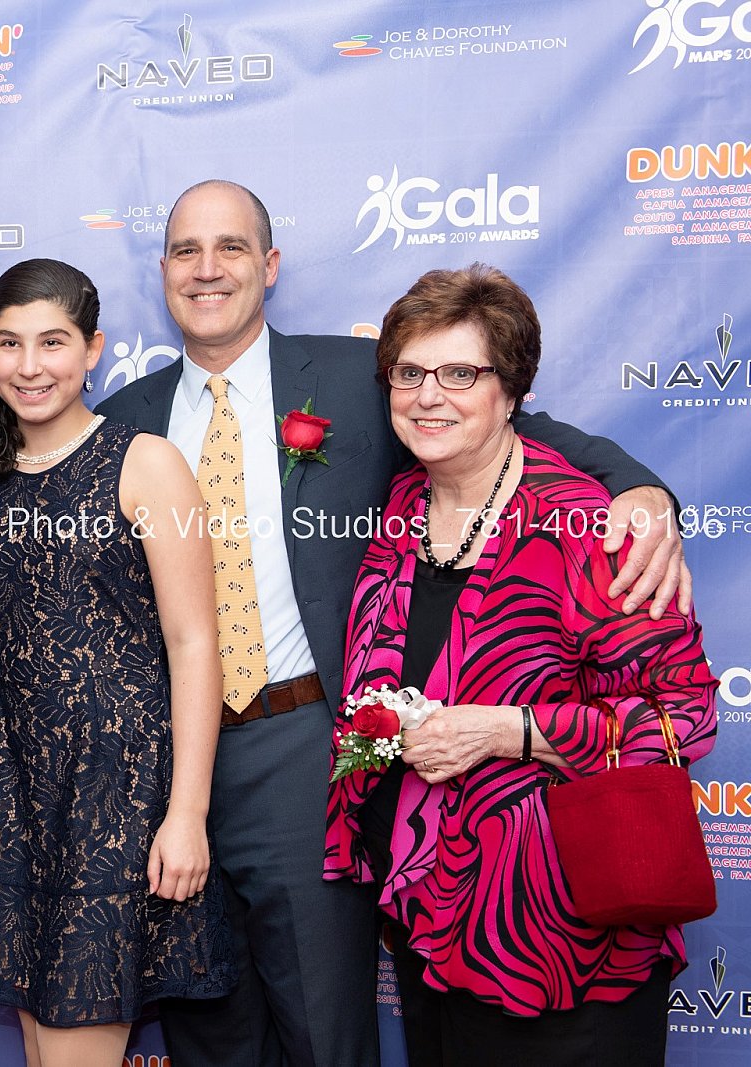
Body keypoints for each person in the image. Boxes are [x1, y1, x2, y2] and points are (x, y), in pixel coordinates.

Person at [79, 180, 688, 1067]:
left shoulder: (366, 379)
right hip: (167, 762)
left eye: (231, 247)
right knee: (205, 1022)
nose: (207, 269)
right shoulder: (123, 418)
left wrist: (641, 489)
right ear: (162, 268)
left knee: (325, 1029)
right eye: (185, 250)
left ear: (270, 265)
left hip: (308, 747)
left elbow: (511, 425)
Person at [323, 263, 716, 1065]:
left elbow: (685, 714)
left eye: (459, 373)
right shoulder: (401, 507)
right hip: (430, 917)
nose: (428, 396)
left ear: (511, 390)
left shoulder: (589, 528)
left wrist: (508, 731)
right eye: (409, 372)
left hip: (564, 935)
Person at [0, 259, 236, 1066]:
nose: (29, 365)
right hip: (18, 801)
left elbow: (194, 644)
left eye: (53, 342)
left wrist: (187, 813)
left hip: (120, 801)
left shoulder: (146, 462)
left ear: (93, 349)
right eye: (9, 343)